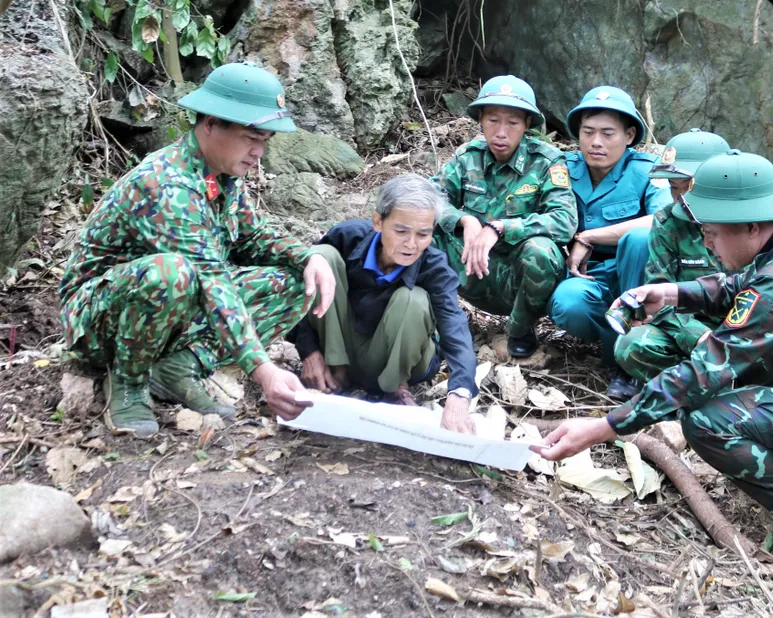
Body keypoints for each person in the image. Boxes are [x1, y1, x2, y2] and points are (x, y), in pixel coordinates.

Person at [532, 150, 773, 559]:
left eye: (713, 232)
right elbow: (741, 283)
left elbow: (702, 371)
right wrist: (672, 293)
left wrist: (604, 427)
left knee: (706, 420)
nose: (706, 241)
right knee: (727, 395)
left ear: (752, 227)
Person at [59, 63, 336, 438]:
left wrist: (309, 257)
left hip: (174, 309)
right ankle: (127, 380)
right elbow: (210, 279)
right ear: (210, 124)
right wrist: (263, 369)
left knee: (296, 281)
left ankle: (175, 368)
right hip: (100, 320)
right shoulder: (166, 183)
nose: (259, 151)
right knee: (170, 274)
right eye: (250, 137)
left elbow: (253, 237)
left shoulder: (222, 174)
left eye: (265, 140)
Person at [289, 174, 479, 434]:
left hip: (391, 361)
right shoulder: (347, 237)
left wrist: (460, 393)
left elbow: (454, 326)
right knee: (321, 258)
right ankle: (336, 373)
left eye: (423, 234)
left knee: (414, 298)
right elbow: (301, 292)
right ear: (378, 221)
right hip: (340, 347)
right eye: (401, 231)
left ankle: (394, 390)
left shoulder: (434, 267)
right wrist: (309, 351)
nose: (411, 244)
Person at [431, 76, 577, 358]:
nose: (501, 132)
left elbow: (564, 220)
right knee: (422, 234)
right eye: (493, 121)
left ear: (526, 126)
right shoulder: (467, 157)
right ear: (481, 121)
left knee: (542, 251)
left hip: (517, 277)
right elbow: (430, 199)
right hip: (469, 266)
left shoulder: (546, 161)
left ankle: (520, 329)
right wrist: (464, 220)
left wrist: (501, 227)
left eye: (512, 123)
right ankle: (436, 322)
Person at [546, 86, 672, 399]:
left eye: (607, 133)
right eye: (587, 132)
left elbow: (664, 219)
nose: (596, 142)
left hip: (640, 276)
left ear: (629, 135)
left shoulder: (648, 171)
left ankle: (632, 361)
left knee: (640, 238)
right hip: (592, 275)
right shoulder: (564, 168)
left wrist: (589, 236)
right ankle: (616, 349)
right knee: (568, 303)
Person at [612, 129, 731, 398]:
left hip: (747, 330)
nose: (680, 198)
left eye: (688, 186)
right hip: (692, 330)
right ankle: (707, 388)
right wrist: (699, 337)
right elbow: (660, 294)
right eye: (673, 187)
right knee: (631, 345)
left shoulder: (747, 220)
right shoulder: (668, 221)